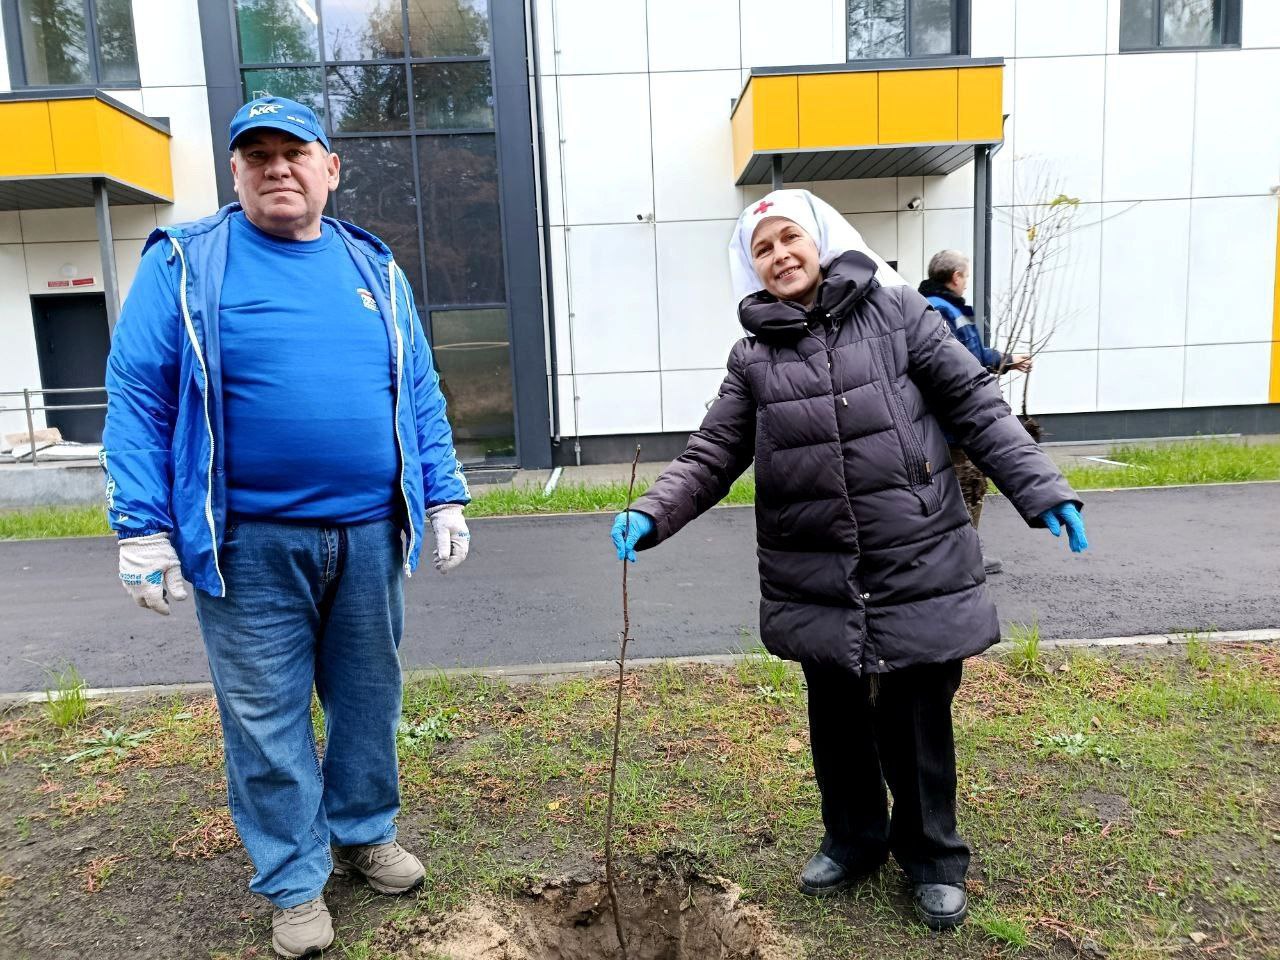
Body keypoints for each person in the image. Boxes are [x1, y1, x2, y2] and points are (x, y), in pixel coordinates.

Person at [609, 190, 1087, 932]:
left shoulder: (899, 313)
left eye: (789, 238)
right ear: (752, 267)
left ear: (820, 240)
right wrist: (653, 510)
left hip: (913, 551)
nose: (780, 256)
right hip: (815, 565)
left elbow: (975, 403)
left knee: (916, 714)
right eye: (763, 249)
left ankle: (933, 858)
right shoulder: (753, 357)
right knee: (835, 716)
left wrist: (1041, 487)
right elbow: (712, 453)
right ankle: (854, 840)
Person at [102, 96, 472, 958]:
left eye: (294, 152)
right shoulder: (186, 262)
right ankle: (296, 882)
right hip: (246, 544)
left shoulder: (374, 265)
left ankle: (363, 832)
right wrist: (141, 526)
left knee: (370, 702)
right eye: (257, 154)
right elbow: (138, 395)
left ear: (329, 168)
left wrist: (445, 494)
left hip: (370, 533)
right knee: (266, 721)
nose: (277, 167)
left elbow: (417, 388)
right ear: (234, 172)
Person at [918, 249, 1032, 574]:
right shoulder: (944, 310)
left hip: (944, 419)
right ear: (955, 277)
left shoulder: (932, 306)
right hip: (955, 421)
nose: (966, 282)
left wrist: (1007, 361)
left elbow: (971, 355)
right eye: (965, 276)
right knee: (967, 484)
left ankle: (954, 553)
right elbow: (963, 362)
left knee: (950, 486)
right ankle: (965, 557)